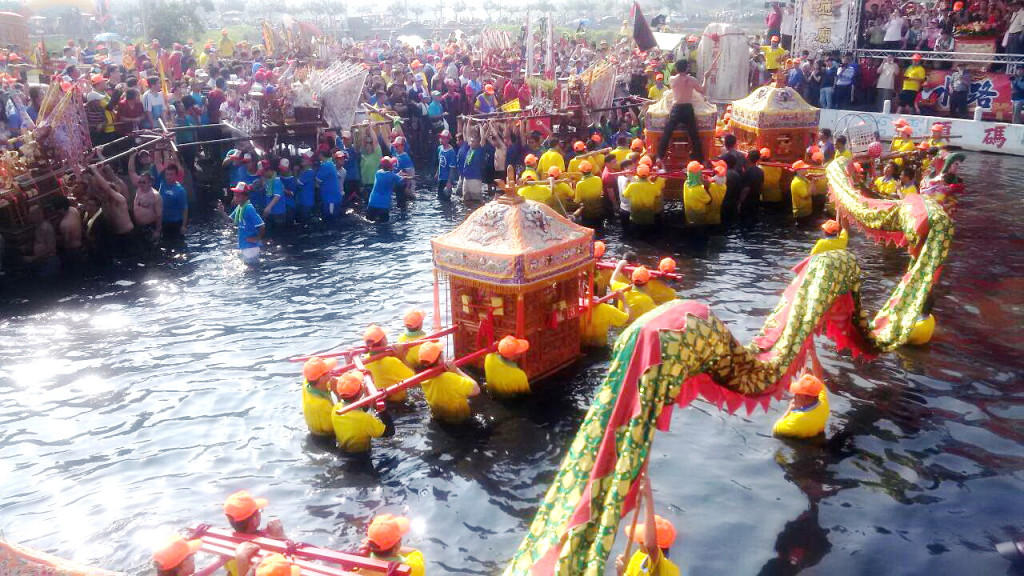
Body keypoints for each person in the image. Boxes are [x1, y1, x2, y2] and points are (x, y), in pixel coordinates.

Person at [655, 60, 711, 165]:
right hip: (687, 109)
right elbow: (702, 90)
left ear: (676, 69)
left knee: (667, 133)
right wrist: (705, 78)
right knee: (694, 135)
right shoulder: (691, 80)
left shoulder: (672, 79)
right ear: (687, 68)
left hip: (676, 108)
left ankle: (659, 157)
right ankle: (701, 160)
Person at [331, 370, 394, 453]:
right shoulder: (365, 419)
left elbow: (360, 409)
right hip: (362, 456)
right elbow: (389, 432)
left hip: (344, 452)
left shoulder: (336, 408)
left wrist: (366, 392)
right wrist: (384, 412)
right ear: (360, 391)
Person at [417, 341, 480, 423]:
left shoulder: (424, 379)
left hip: (440, 421)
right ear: (440, 360)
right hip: (461, 421)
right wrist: (457, 370)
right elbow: (476, 389)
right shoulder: (449, 377)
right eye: (442, 354)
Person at [362, 324, 415, 403]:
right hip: (399, 404)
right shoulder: (392, 362)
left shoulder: (365, 360)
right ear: (384, 341)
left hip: (379, 401)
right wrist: (402, 358)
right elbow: (413, 380)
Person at [616, 512, 680, 576]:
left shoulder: (666, 571)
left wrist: (620, 573)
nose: (638, 542)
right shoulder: (640, 556)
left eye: (641, 541)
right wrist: (623, 570)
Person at [772, 373, 830, 438]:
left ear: (805, 398)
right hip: (818, 435)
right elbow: (818, 376)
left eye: (797, 393)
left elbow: (776, 428)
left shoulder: (795, 421)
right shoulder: (824, 403)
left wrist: (789, 409)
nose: (794, 396)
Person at [225, 182, 265, 265]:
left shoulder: (248, 208)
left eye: (237, 196)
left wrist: (257, 239)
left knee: (252, 270)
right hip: (245, 245)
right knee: (249, 267)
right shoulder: (240, 207)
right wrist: (222, 212)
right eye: (234, 195)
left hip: (251, 247)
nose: (235, 198)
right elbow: (229, 220)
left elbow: (261, 225)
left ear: (245, 197)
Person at [302, 356, 338, 437]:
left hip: (315, 425)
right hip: (327, 437)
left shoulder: (307, 383)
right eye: (328, 371)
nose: (331, 372)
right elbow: (342, 421)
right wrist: (337, 393)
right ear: (322, 379)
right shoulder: (322, 405)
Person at [366, 157, 410, 222]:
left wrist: (398, 175)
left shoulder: (378, 173)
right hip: (383, 205)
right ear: (391, 166)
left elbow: (389, 176)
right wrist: (412, 177)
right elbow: (402, 180)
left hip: (372, 203)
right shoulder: (392, 176)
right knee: (384, 224)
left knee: (369, 221)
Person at [622, 164, 661, 229]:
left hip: (635, 218)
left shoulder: (632, 186)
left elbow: (624, 195)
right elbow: (658, 195)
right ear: (648, 174)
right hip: (649, 218)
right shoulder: (653, 186)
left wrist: (628, 180)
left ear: (637, 174)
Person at [316, 149, 342, 221]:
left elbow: (317, 181)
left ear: (321, 155)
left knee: (330, 221)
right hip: (332, 198)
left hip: (331, 199)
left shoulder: (326, 165)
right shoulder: (330, 164)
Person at [683, 160, 710, 227]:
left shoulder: (686, 183)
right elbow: (709, 201)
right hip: (699, 220)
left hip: (689, 218)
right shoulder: (699, 189)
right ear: (698, 174)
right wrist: (706, 187)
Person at [437, 130, 458, 199]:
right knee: (439, 196)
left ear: (448, 139)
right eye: (440, 137)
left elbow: (452, 168)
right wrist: (437, 172)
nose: (441, 139)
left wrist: (449, 182)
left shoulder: (451, 152)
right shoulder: (440, 148)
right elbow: (440, 162)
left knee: (446, 198)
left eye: (443, 138)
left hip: (446, 178)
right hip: (440, 177)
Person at [706, 161, 726, 226]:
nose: (713, 169)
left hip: (712, 211)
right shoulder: (724, 181)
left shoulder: (714, 185)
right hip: (719, 211)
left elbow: (708, 182)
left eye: (715, 167)